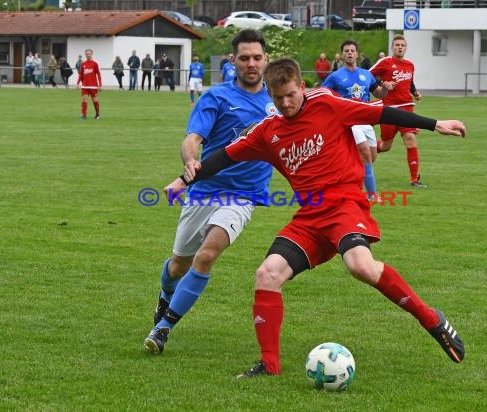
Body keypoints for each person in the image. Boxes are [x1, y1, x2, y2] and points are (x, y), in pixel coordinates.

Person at [158, 57, 466, 376]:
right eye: (278, 98)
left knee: (360, 266)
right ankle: (269, 365)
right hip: (310, 218)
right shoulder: (267, 131)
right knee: (267, 274)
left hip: (346, 204)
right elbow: (222, 158)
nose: (286, 103)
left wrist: (435, 124)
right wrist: (183, 181)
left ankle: (431, 319)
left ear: (301, 86)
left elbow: (380, 112)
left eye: (291, 94)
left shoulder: (328, 103)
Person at [143, 29, 276, 355]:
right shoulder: (216, 97)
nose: (251, 64)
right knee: (178, 265)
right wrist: (190, 162)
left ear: (266, 59)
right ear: (233, 61)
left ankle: (163, 328)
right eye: (244, 58)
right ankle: (165, 296)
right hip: (204, 191)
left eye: (257, 57)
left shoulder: (279, 101)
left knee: (207, 255)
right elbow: (193, 139)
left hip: (243, 196)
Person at [322, 39, 390, 203]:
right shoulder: (335, 77)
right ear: (342, 54)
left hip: (366, 120)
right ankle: (371, 195)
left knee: (371, 157)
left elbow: (378, 94)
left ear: (357, 54)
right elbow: (322, 96)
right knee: (365, 154)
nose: (350, 53)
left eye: (352, 50)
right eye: (346, 51)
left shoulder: (366, 74)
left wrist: (385, 89)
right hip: (349, 122)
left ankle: (344, 182)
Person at [370, 34, 426, 187]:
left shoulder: (410, 65)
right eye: (397, 45)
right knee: (385, 146)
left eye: (402, 45)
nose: (400, 47)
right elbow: (367, 75)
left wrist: (415, 93)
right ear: (392, 47)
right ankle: (363, 151)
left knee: (410, 139)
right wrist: (383, 82)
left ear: (406, 48)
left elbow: (410, 82)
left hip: (407, 107)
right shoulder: (385, 62)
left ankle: (415, 179)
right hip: (389, 110)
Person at [76, 48, 102, 120]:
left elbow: (99, 74)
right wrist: (78, 83)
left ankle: (97, 113)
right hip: (85, 86)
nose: (88, 55)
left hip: (93, 86)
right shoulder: (83, 64)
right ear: (85, 54)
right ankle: (83, 115)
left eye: (89, 54)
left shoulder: (95, 64)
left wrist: (100, 85)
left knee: (95, 101)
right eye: (87, 54)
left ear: (92, 54)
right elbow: (81, 75)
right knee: (84, 100)